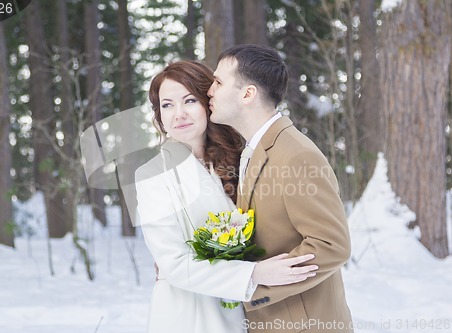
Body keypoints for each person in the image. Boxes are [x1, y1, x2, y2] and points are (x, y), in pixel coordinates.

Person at [135, 60, 318, 333]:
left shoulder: (238, 159)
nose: (178, 114)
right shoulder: (152, 174)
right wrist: (254, 273)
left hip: (244, 313)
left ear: (208, 103)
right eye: (167, 105)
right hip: (189, 314)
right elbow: (173, 264)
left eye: (189, 101)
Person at [207, 44, 353, 332]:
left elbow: (331, 245)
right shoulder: (254, 149)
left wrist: (253, 285)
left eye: (218, 82)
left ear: (247, 94)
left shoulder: (296, 154)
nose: (210, 91)